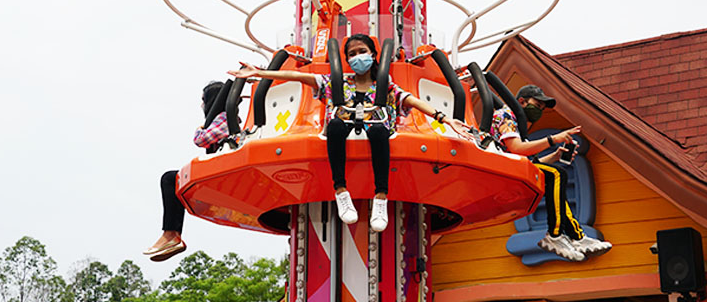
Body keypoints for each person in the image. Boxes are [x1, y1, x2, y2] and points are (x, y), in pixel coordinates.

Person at [229, 33, 468, 232]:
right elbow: (299, 76)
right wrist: (259, 74)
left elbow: (412, 100)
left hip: (375, 129)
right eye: (352, 54)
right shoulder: (338, 82)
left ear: (373, 55)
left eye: (362, 51)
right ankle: (341, 191)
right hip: (342, 128)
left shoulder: (384, 86)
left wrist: (446, 119)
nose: (357, 57)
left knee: (378, 132)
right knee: (335, 127)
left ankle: (381, 196)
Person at [482, 84, 612, 261]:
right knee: (556, 174)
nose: (539, 111)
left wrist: (555, 156)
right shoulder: (506, 115)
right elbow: (516, 148)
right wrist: (553, 139)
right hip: (501, 170)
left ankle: (577, 236)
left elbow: (532, 164)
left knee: (555, 182)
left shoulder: (519, 126)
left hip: (513, 168)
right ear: (522, 101)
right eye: (537, 105)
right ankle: (555, 235)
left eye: (542, 109)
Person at [142, 81, 230, 262]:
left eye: (203, 100)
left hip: (223, 174)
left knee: (170, 179)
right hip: (220, 171)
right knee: (174, 181)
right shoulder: (222, 118)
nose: (201, 105)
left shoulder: (224, 118)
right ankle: (172, 235)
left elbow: (202, 139)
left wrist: (199, 129)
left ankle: (171, 234)